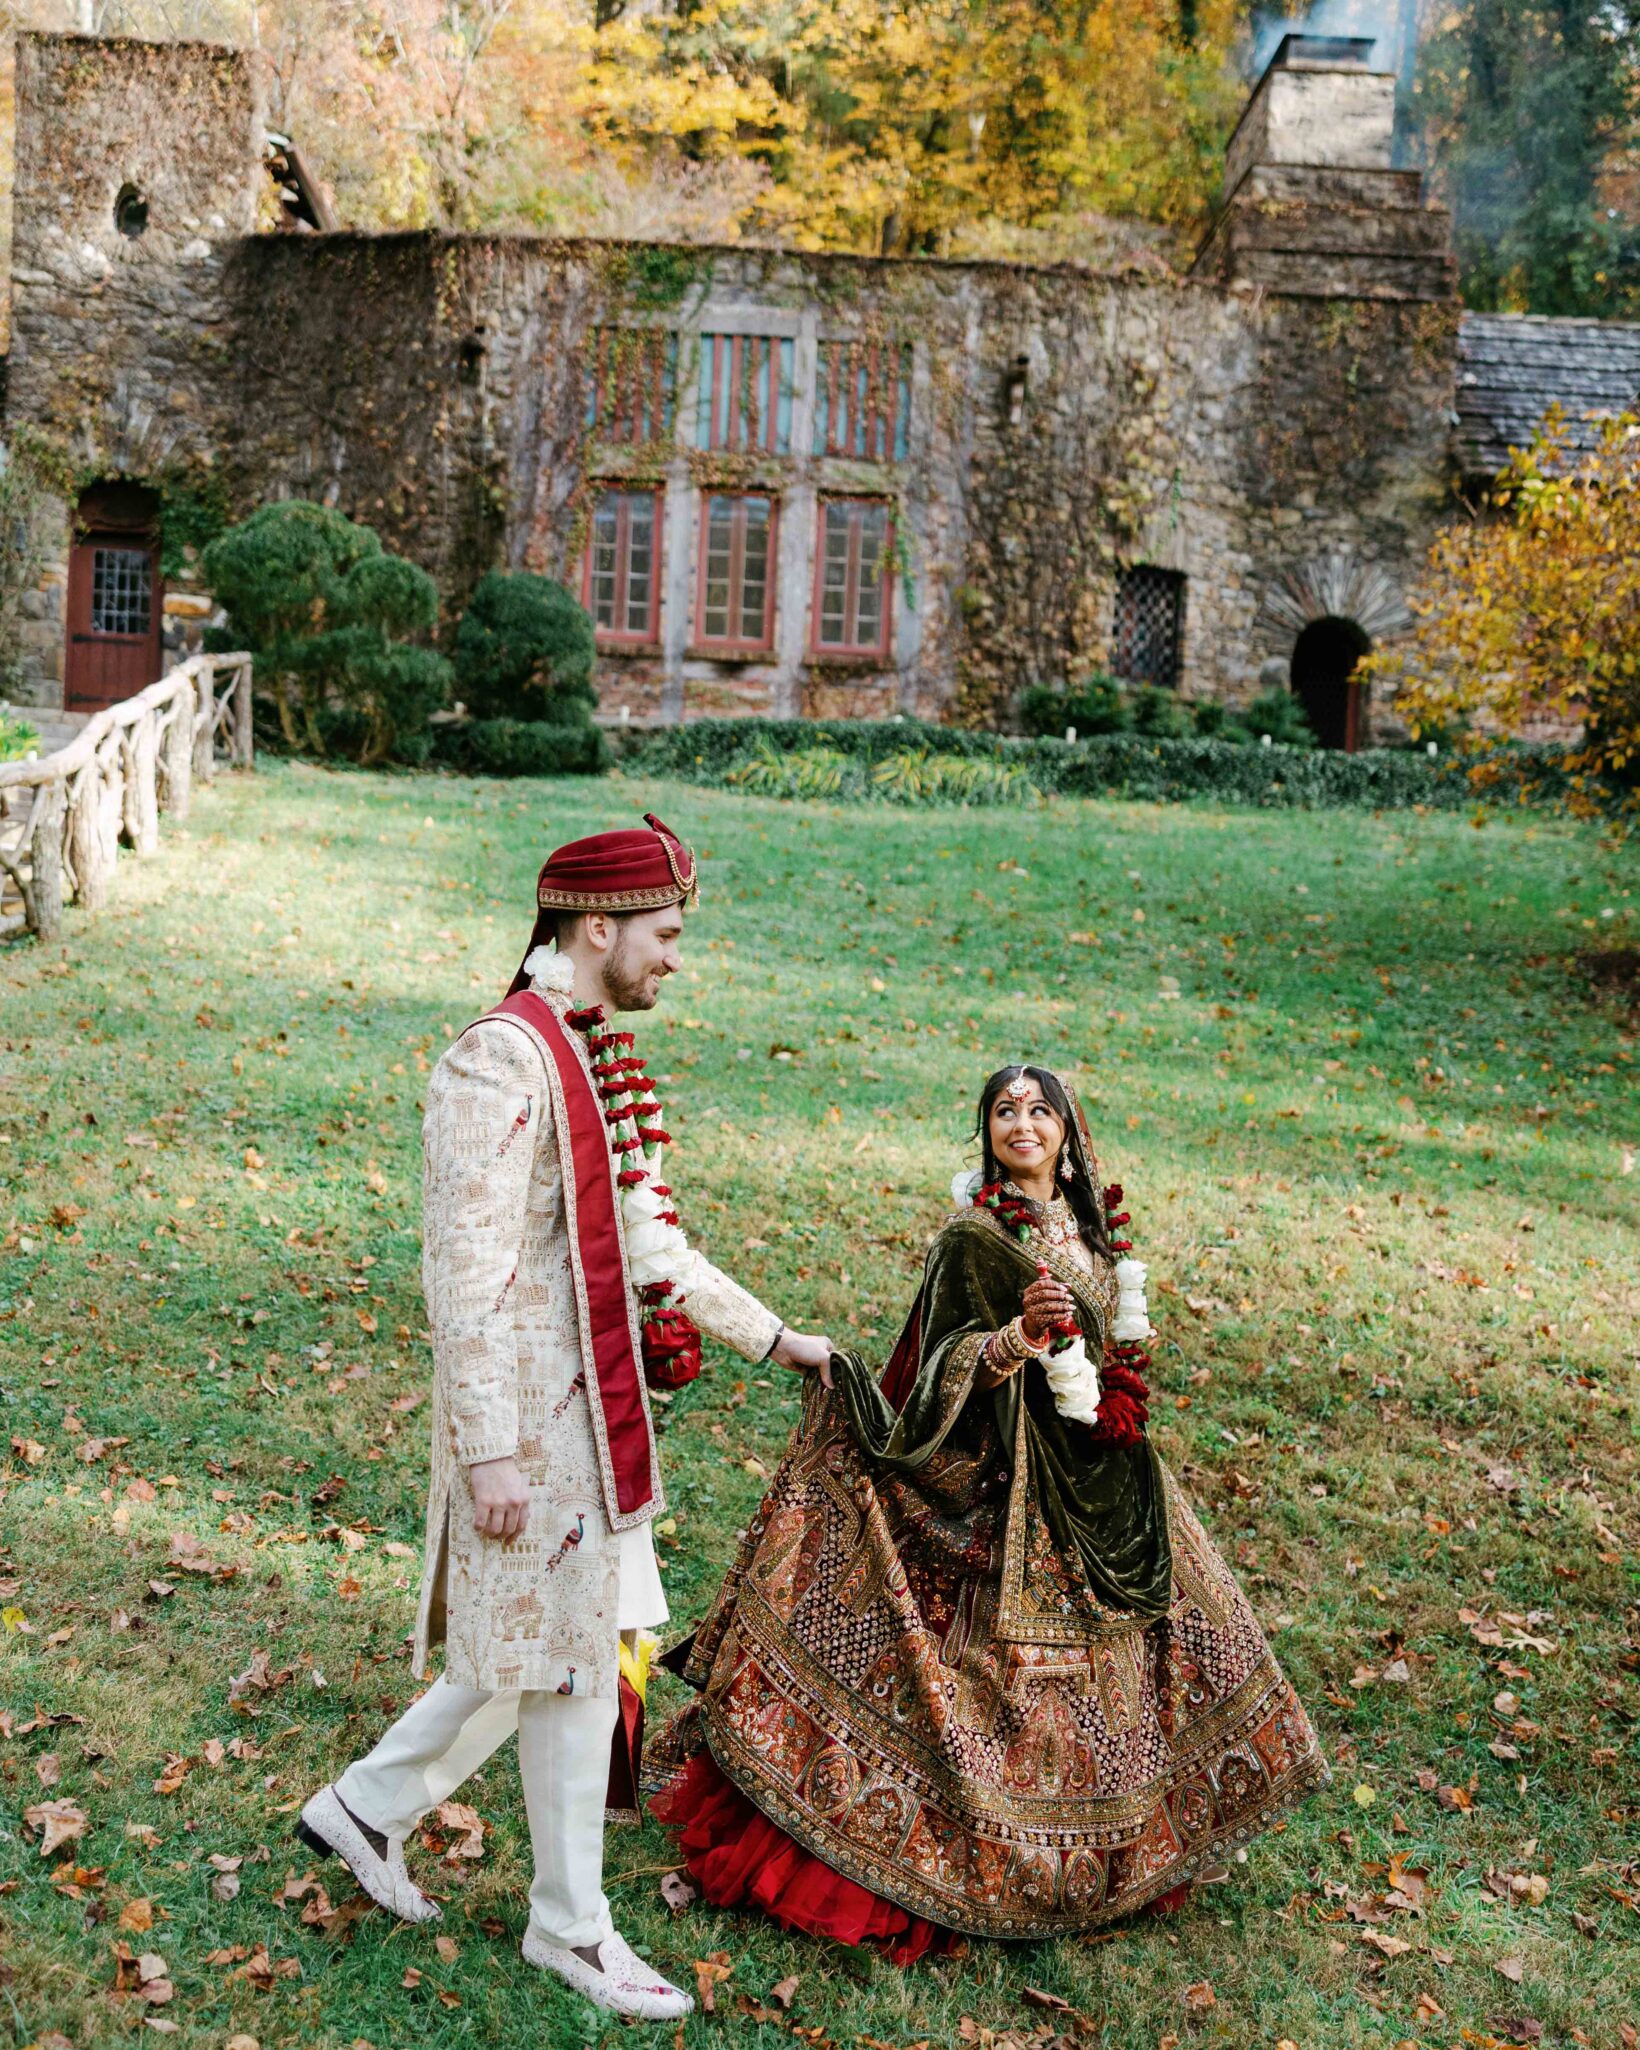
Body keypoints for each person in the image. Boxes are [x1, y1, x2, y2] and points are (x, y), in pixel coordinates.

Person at [297, 812, 831, 2021]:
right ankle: (570, 1926)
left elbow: (651, 1242)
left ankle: (367, 1808)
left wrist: (777, 1337)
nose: (674, 958)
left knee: (571, 1642)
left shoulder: (587, 1052)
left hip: (598, 1419)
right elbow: (463, 1272)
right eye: (665, 933)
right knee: (576, 1658)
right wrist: (487, 1448)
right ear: (597, 928)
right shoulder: (498, 1059)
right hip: (533, 1431)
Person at [649, 1063, 1327, 1951]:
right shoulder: (973, 1239)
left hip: (1102, 1471)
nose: (1023, 1123)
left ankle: (1124, 1847)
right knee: (998, 1671)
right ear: (988, 1138)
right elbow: (936, 1368)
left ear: (1070, 1139)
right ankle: (990, 1853)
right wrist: (1017, 1339)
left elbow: (1121, 1352)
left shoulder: (1095, 1237)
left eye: (1040, 1109)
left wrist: (1114, 1373)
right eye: (1004, 1111)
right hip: (999, 1483)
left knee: (1184, 1624)